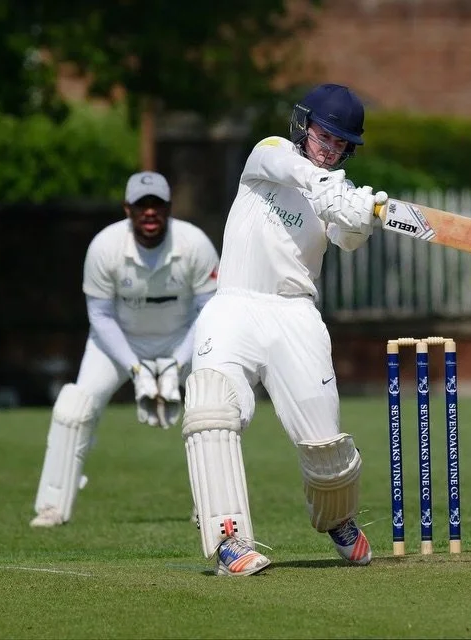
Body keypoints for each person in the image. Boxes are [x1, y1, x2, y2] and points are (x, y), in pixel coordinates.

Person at [181, 83, 386, 576]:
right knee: (211, 408)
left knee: (325, 444)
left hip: (295, 315)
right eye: (324, 136)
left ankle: (337, 518)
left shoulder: (333, 191)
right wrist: (327, 187)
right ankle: (229, 540)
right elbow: (292, 169)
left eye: (341, 144)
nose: (330, 149)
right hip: (234, 305)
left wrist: (360, 217)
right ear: (303, 125)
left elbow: (347, 238)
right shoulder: (269, 153)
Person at [30, 171, 220, 528]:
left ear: (169, 208)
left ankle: (213, 507)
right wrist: (136, 369)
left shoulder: (194, 244)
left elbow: (209, 312)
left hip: (184, 340)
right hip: (118, 342)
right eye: (141, 205)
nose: (150, 212)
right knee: (74, 408)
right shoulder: (105, 247)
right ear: (127, 209)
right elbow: (100, 317)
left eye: (157, 205)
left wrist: (175, 364)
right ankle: (52, 507)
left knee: (213, 409)